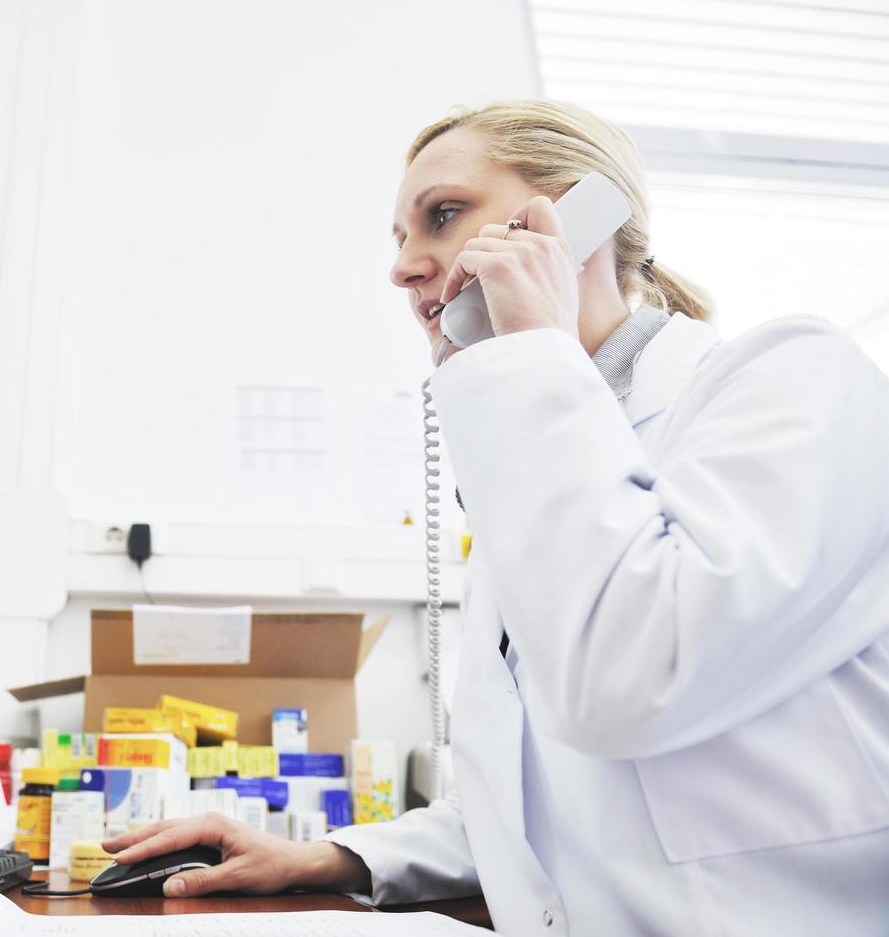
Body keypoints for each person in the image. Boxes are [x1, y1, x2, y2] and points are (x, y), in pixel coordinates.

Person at [102, 100, 889, 935]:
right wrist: (333, 857)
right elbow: (538, 802)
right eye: (399, 238)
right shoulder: (543, 454)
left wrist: (526, 356)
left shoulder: (793, 380)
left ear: (575, 218)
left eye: (441, 217)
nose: (404, 268)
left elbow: (629, 680)